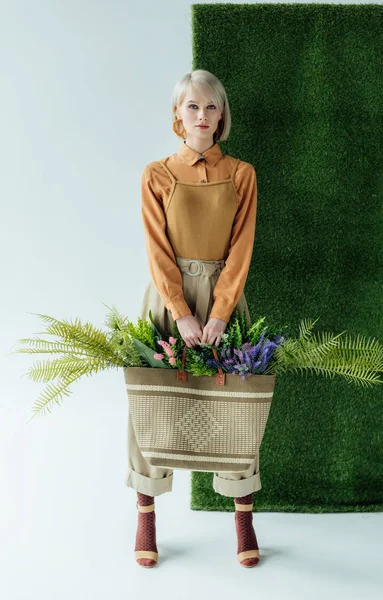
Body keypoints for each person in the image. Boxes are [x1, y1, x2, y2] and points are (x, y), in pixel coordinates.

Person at [128, 69, 260, 569]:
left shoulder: (242, 174)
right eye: (192, 107)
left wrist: (221, 313)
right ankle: (146, 514)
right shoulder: (156, 174)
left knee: (239, 406)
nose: (202, 116)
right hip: (168, 301)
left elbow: (241, 248)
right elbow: (157, 250)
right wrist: (181, 312)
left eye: (211, 107)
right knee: (150, 403)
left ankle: (243, 514)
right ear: (177, 116)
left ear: (221, 115)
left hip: (227, 297)